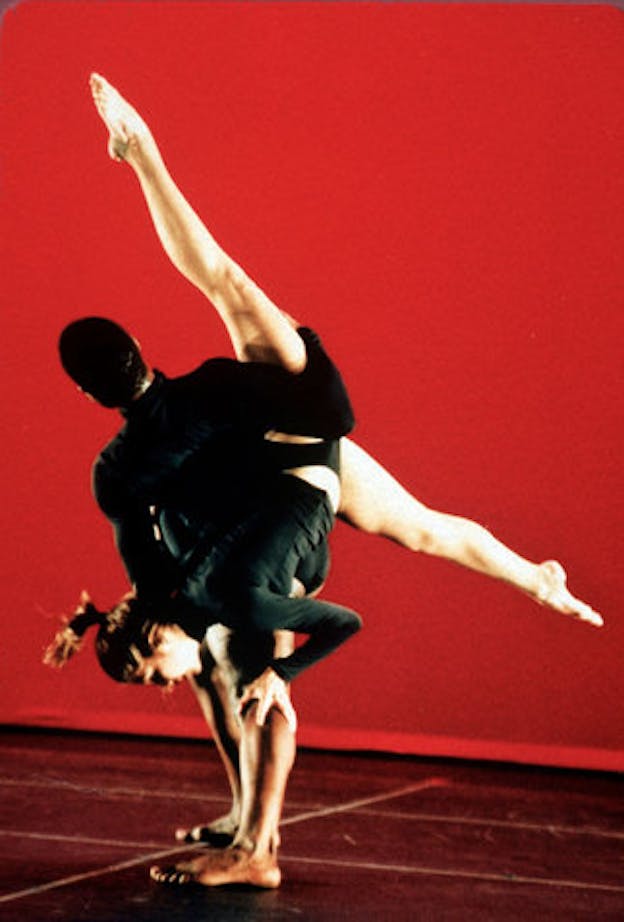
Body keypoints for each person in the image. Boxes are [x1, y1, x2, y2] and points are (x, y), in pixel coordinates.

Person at [47, 73, 603, 891]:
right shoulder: (209, 399)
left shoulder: (133, 464)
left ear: (91, 396)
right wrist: (140, 153)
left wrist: (139, 152)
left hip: (290, 463)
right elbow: (220, 279)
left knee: (255, 643)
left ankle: (258, 847)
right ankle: (248, 820)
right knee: (409, 534)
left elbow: (222, 285)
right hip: (284, 457)